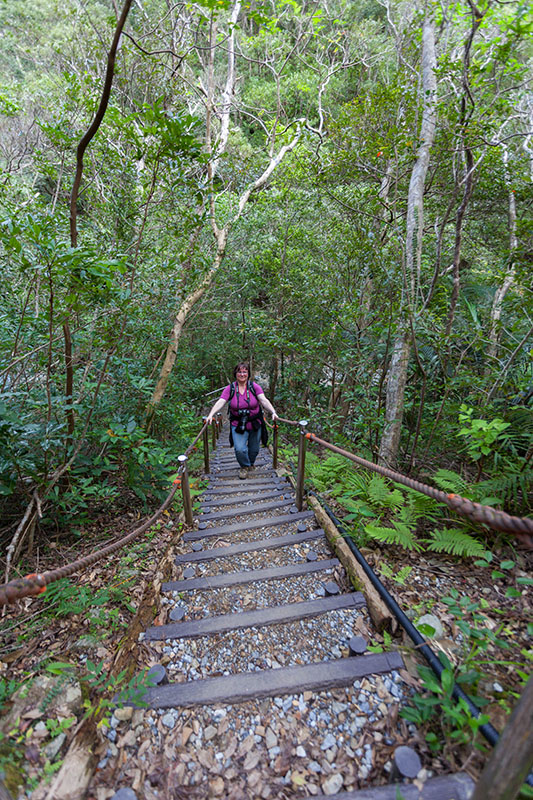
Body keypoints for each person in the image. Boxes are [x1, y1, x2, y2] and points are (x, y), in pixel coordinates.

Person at [206, 362, 278, 479]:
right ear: (235, 374)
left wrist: (273, 412)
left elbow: (263, 400)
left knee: (254, 449)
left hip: (255, 422)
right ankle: (244, 466)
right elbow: (221, 401)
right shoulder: (230, 389)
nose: (242, 374)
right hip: (237, 423)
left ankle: (251, 462)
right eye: (239, 371)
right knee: (239, 449)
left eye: (245, 372)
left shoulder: (254, 387)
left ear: (248, 374)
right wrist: (211, 415)